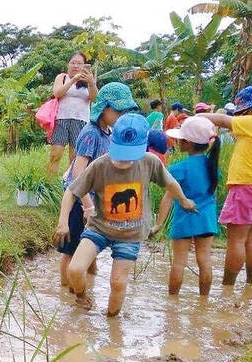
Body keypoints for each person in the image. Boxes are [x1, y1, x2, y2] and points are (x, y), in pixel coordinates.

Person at [54, 114, 197, 316]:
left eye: (129, 156)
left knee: (118, 283)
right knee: (76, 269)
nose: (123, 161)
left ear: (142, 149)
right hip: (99, 227)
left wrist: (184, 201)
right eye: (119, 153)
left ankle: (112, 322)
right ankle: (80, 295)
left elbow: (171, 183)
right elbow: (72, 191)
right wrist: (62, 222)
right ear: (113, 143)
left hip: (130, 234)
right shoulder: (100, 165)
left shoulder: (150, 162)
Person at [56, 82, 139, 287]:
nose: (121, 115)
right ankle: (67, 294)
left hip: (93, 201)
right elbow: (78, 173)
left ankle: (87, 286)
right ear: (104, 108)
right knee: (71, 250)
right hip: (79, 200)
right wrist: (88, 206)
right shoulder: (90, 133)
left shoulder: (108, 133)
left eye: (124, 111)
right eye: (118, 110)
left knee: (89, 248)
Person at [151, 117, 219, 295]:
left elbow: (167, 197)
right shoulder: (212, 166)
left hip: (184, 220)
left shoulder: (179, 168)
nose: (176, 141)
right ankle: (203, 301)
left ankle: (172, 303)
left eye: (180, 139)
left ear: (187, 143)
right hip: (207, 219)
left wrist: (158, 224)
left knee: (179, 263)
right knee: (205, 260)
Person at [197, 85, 252, 286]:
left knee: (236, 240)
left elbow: (223, 120)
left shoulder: (249, 122)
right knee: (250, 240)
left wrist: (200, 117)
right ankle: (249, 285)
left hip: (245, 184)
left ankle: (227, 286)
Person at [46, 51, 98, 176]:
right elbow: (57, 93)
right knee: (55, 155)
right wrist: (73, 80)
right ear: (68, 64)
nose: (76, 66)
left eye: (79, 63)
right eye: (73, 62)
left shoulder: (89, 80)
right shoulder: (62, 77)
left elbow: (94, 98)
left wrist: (91, 82)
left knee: (74, 158)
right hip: (61, 119)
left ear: (84, 65)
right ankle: (48, 186)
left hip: (81, 121)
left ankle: (70, 188)